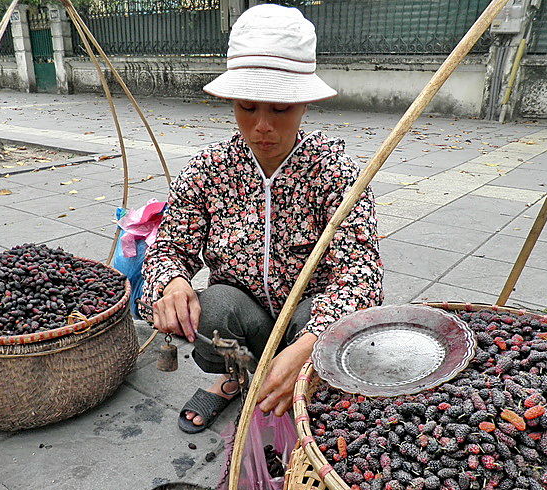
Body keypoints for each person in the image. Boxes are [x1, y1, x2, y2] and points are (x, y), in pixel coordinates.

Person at [138, 3, 384, 433]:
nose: (262, 127)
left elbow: (361, 276)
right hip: (244, 313)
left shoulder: (334, 170)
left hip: (310, 314)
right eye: (248, 108)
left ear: (305, 104)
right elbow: (168, 248)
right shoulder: (209, 168)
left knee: (328, 326)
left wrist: (308, 344)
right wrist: (171, 282)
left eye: (281, 110)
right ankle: (234, 379)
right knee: (213, 308)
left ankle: (303, 384)